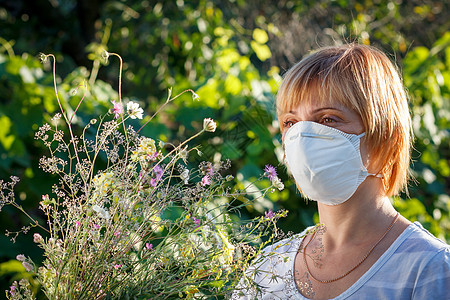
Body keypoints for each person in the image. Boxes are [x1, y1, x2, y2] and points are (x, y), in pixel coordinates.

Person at [232, 44, 449, 299]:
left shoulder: (430, 269)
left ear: (386, 137)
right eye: (291, 123)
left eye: (328, 119)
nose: (303, 138)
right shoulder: (266, 270)